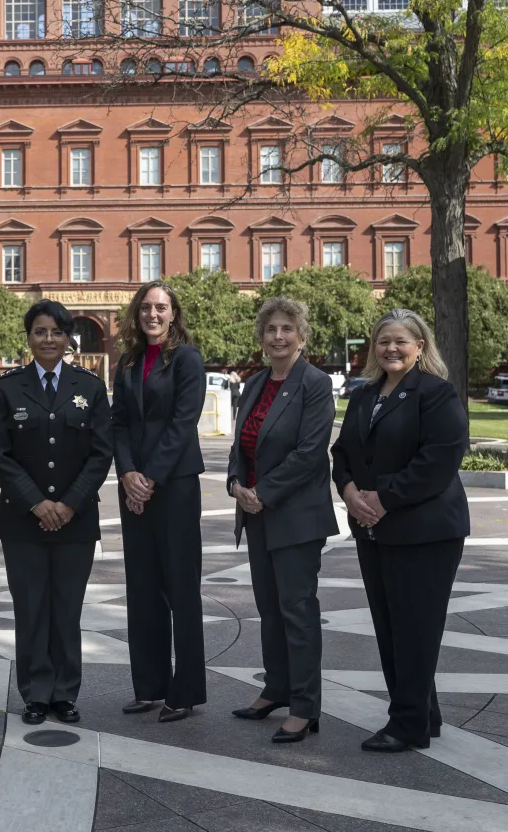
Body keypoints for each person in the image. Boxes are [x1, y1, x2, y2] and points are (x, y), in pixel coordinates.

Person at [331, 309, 470, 753]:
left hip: (425, 530)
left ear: (420, 347)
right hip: (374, 529)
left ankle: (406, 724)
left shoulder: (436, 393)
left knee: (415, 627)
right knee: (392, 627)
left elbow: (439, 460)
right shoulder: (363, 395)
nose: (391, 348)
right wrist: (350, 491)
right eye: (383, 341)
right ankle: (423, 713)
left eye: (401, 341)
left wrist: (382, 499)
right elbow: (342, 454)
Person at [0, 300, 113, 726]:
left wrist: (68, 502)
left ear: (68, 339)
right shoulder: (7, 388)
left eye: (57, 332)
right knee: (31, 609)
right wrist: (36, 502)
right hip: (24, 520)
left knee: (66, 609)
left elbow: (100, 453)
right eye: (40, 332)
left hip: (76, 520)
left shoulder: (90, 387)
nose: (48, 340)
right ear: (29, 338)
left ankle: (64, 693)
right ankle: (36, 693)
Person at [226, 297, 338, 743]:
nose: (278, 336)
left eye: (287, 328)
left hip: (294, 517)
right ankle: (276, 689)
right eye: (271, 328)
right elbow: (241, 444)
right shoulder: (255, 384)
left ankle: (306, 706)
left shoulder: (314, 383)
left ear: (301, 336)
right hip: (255, 514)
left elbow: (310, 453)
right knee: (269, 609)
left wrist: (263, 494)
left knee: (297, 610)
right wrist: (236, 483)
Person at [111, 281, 207, 723]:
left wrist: (148, 478)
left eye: (161, 308)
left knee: (181, 589)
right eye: (146, 307)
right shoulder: (128, 360)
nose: (153, 314)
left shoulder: (187, 358)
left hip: (175, 485)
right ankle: (149, 686)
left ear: (173, 314)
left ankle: (184, 692)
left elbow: (183, 422)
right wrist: (128, 473)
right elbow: (120, 422)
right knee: (143, 587)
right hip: (135, 486)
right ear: (138, 313)